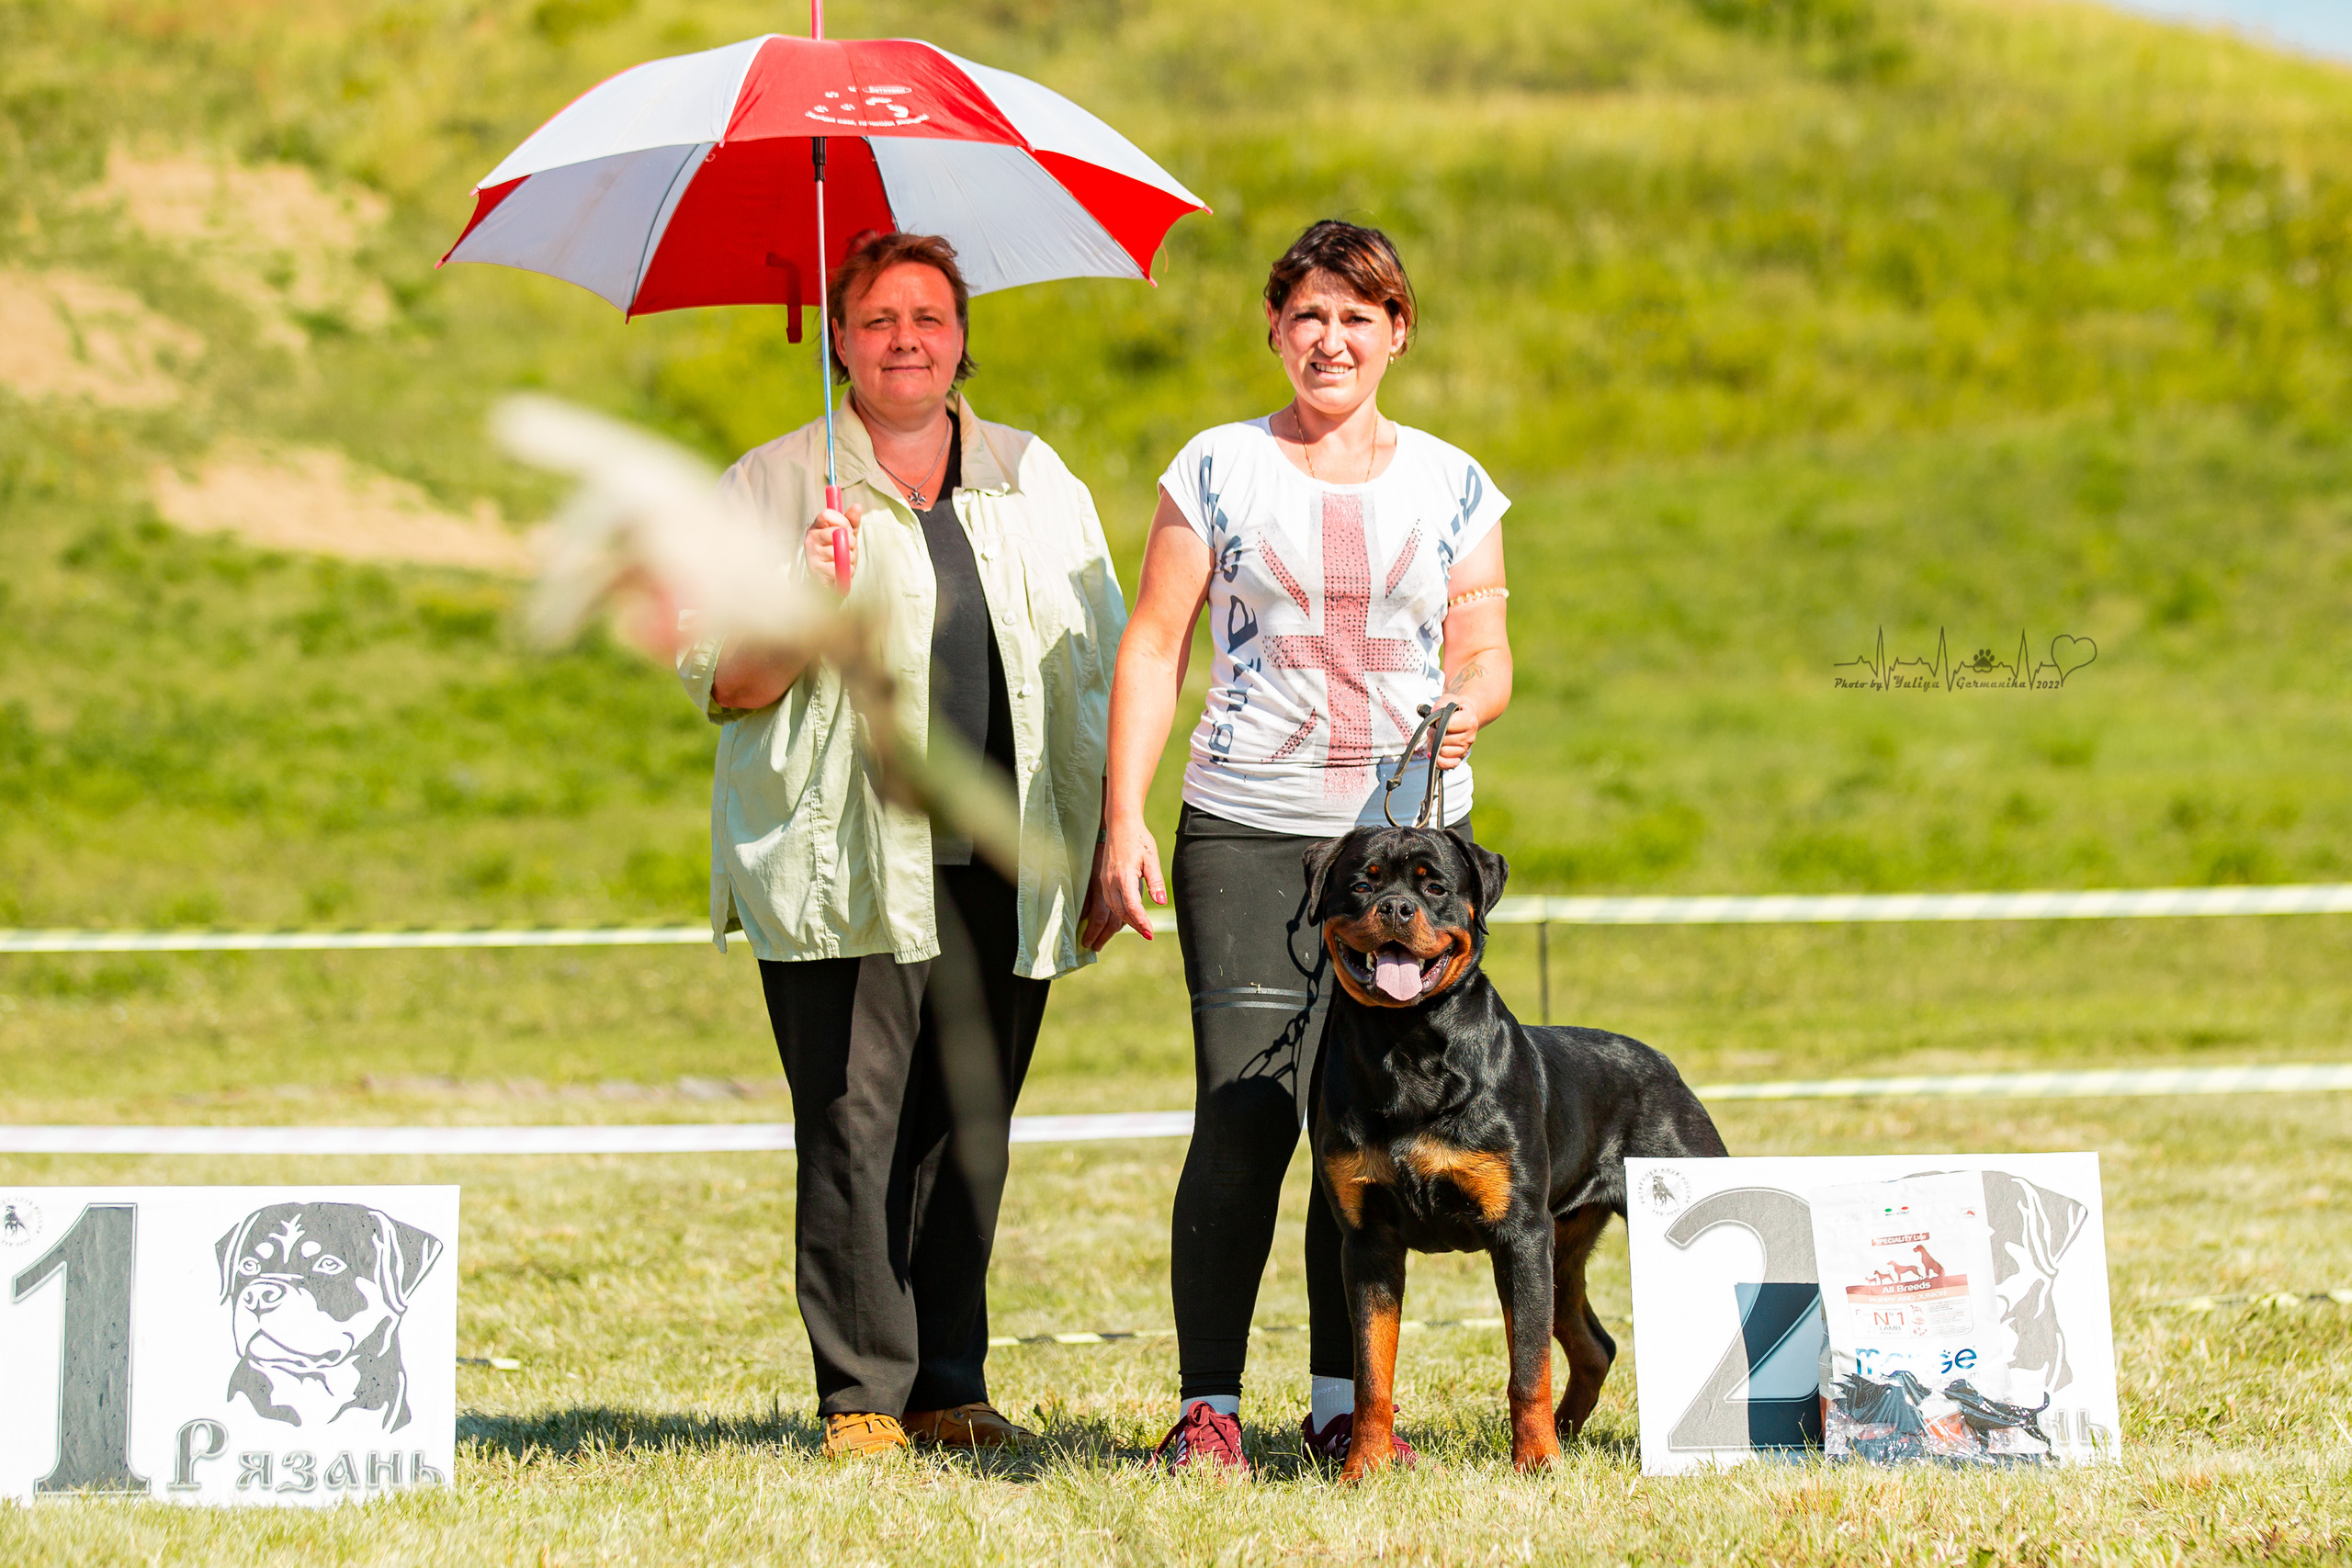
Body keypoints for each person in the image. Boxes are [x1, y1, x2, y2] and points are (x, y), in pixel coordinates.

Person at [678, 231, 1126, 1461]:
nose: (906, 340)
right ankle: (862, 1399)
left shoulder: (1039, 477)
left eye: (929, 316)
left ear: (964, 335)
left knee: (965, 1121)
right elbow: (722, 681)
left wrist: (1103, 844)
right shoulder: (772, 486)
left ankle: (949, 1380)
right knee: (852, 1123)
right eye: (877, 319)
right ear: (837, 338)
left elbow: (1100, 667)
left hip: (1004, 853)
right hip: (840, 865)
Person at [1083, 220, 1514, 1472]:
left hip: (1409, 843)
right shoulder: (1215, 466)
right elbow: (1155, 644)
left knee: (1368, 1133)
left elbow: (1485, 645)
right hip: (1248, 828)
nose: (1332, 338)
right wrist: (1124, 818)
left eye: (1358, 315)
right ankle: (1208, 1407)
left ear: (1398, 333)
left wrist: (1470, 702)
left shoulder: (1455, 481)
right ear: (1274, 329)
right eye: (1309, 315)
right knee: (1248, 1110)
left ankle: (1344, 1407)